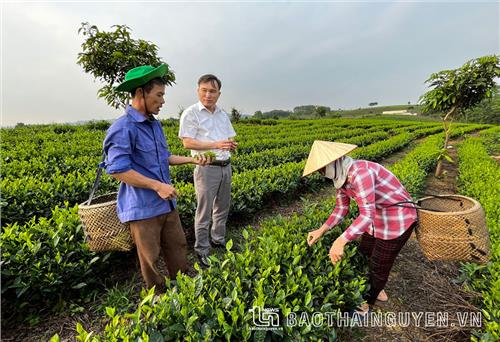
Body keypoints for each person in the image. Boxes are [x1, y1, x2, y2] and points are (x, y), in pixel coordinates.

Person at [103, 64, 210, 292]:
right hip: (143, 208)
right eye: (159, 95)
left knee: (178, 246)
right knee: (150, 259)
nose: (162, 101)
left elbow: (165, 157)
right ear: (141, 92)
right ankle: (159, 300)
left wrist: (193, 160)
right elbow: (117, 169)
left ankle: (184, 291)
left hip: (166, 203)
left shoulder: (154, 125)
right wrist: (156, 186)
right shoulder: (123, 128)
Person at [304, 141, 418, 313]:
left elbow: (366, 214)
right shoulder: (341, 177)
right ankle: (374, 288)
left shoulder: (360, 173)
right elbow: (341, 209)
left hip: (397, 220)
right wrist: (321, 230)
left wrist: (340, 241)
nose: (322, 174)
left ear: (332, 162)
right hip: (376, 220)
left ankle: (368, 302)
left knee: (379, 266)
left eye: (322, 169)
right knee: (364, 253)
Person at [178, 74, 237, 267]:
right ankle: (202, 249)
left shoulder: (222, 114)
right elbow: (187, 142)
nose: (208, 95)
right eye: (204, 90)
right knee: (204, 211)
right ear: (198, 91)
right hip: (206, 168)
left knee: (222, 207)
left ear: (219, 94)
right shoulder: (191, 113)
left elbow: (227, 138)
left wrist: (229, 145)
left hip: (225, 166)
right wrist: (215, 144)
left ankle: (218, 240)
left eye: (212, 91)